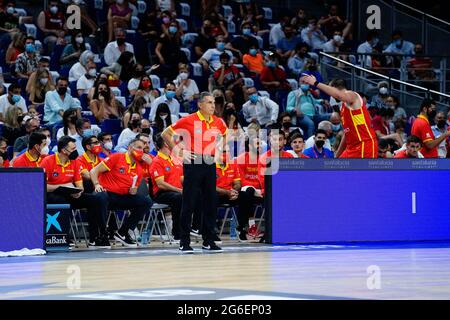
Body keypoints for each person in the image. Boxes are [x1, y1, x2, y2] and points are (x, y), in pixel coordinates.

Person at [162, 92, 227, 253]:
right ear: (200, 105)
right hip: (193, 162)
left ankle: (208, 240)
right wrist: (177, 149)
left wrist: (218, 148)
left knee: (211, 202)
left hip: (210, 162)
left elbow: (226, 135)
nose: (213, 105)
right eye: (209, 102)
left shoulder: (218, 121)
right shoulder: (189, 119)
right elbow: (165, 133)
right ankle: (184, 241)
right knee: (189, 202)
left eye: (214, 102)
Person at [41, 136, 110, 248]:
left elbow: (79, 185)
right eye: (73, 149)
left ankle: (98, 236)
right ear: (64, 150)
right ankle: (63, 237)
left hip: (71, 194)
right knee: (61, 201)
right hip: (52, 195)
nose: (76, 152)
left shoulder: (75, 162)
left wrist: (78, 192)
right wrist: (60, 186)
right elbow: (42, 186)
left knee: (98, 199)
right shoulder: (48, 161)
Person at [90, 138, 153, 247]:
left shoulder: (139, 168)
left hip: (122, 197)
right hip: (107, 194)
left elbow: (134, 189)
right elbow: (94, 171)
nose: (141, 151)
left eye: (143, 149)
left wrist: (133, 191)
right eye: (138, 147)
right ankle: (101, 236)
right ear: (129, 148)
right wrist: (96, 184)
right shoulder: (117, 157)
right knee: (100, 197)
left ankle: (123, 232)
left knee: (146, 201)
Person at [301, 74, 378, 158]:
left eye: (331, 91)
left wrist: (315, 83)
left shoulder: (352, 95)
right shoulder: (343, 108)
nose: (331, 96)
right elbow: (346, 134)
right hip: (351, 147)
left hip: (364, 144)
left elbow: (339, 95)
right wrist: (337, 155)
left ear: (334, 88)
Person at [149, 133, 183, 241]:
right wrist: (179, 190)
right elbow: (161, 184)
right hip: (161, 194)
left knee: (197, 193)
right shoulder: (157, 161)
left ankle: (196, 228)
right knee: (178, 198)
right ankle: (177, 233)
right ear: (166, 143)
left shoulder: (174, 159)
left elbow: (182, 178)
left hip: (177, 191)